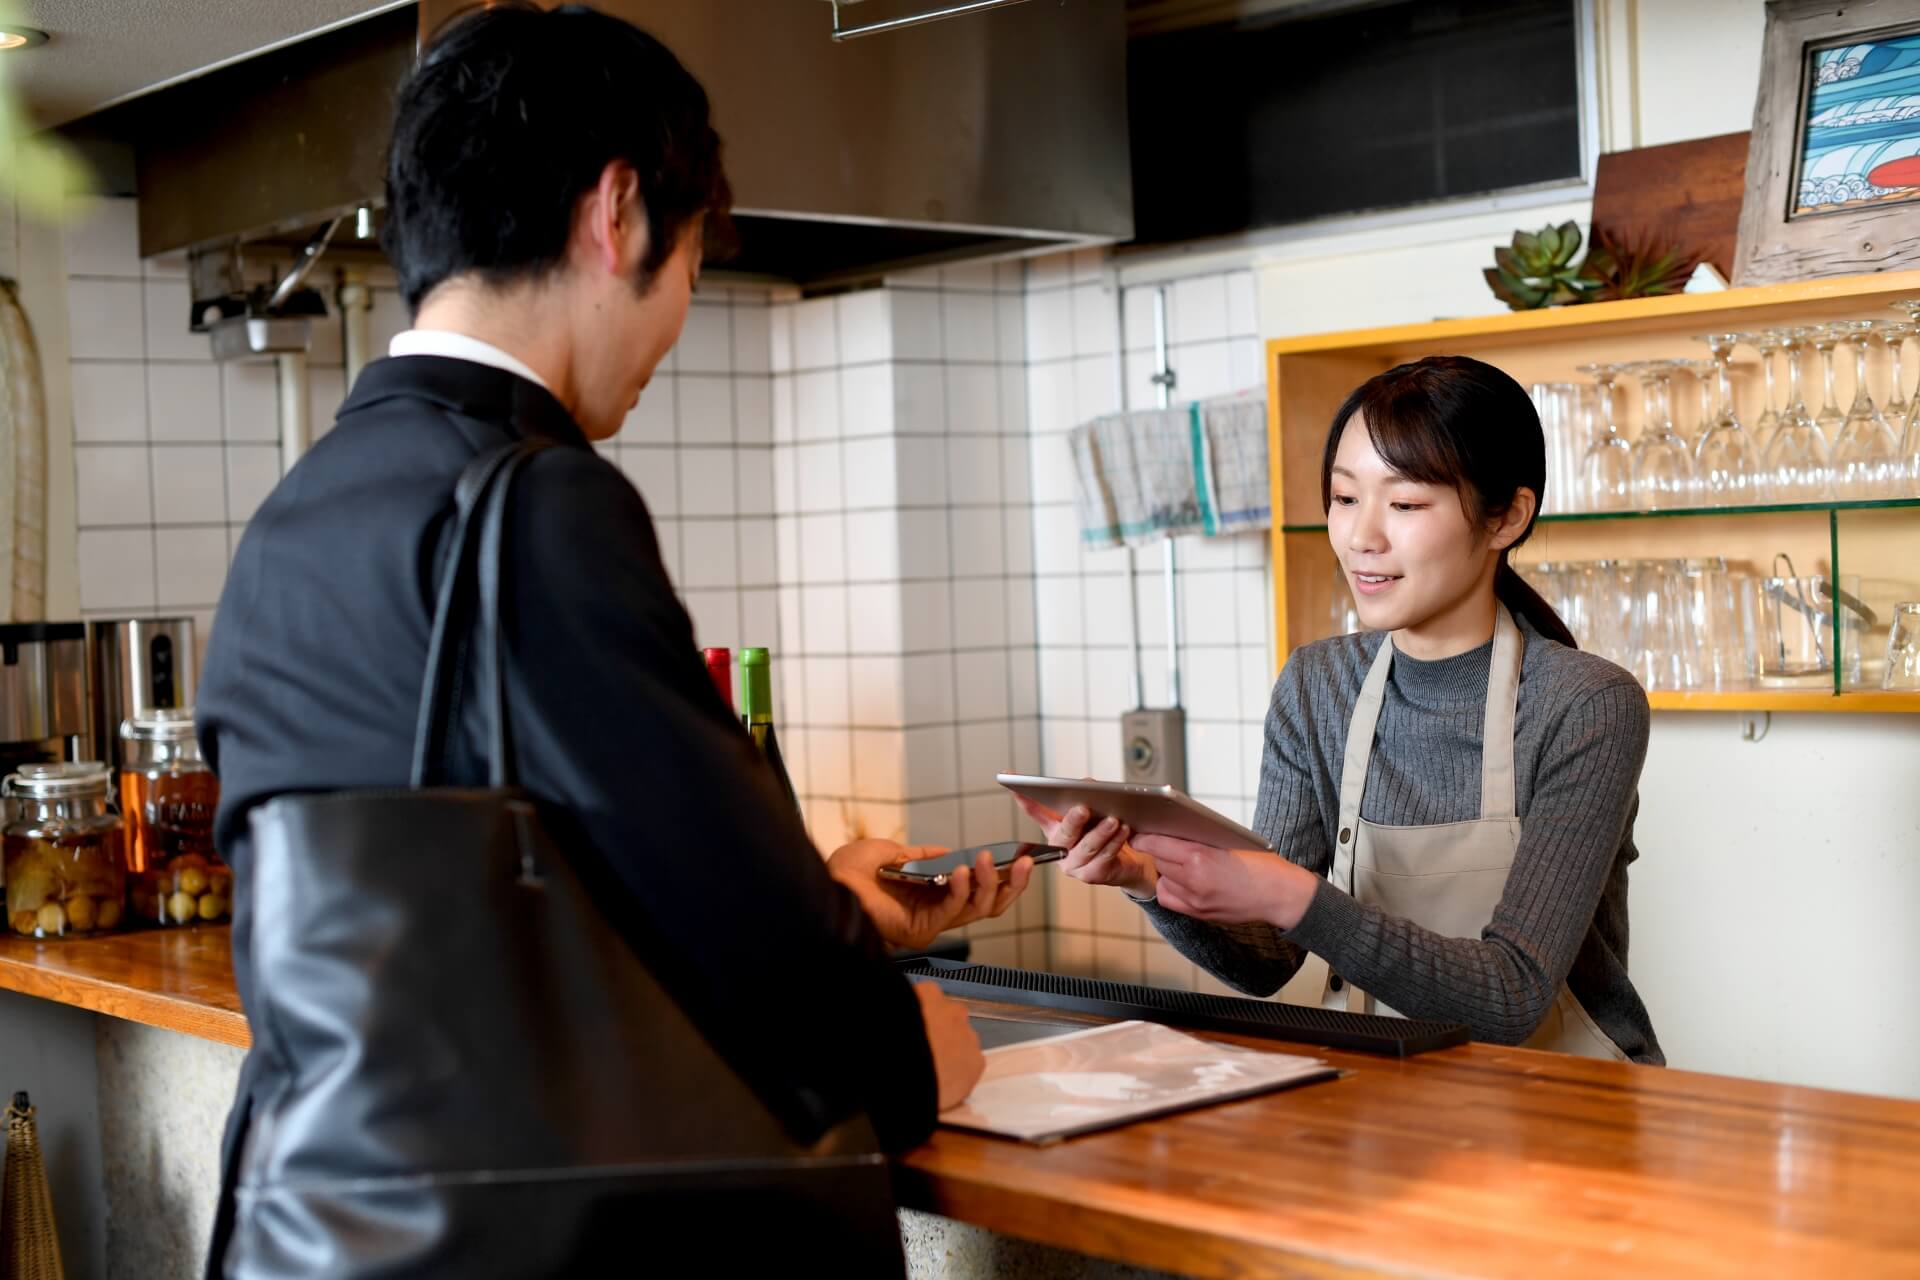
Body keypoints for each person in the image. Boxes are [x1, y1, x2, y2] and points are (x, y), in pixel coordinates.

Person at [197, 3, 1030, 1267]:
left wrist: (827, 897)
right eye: (693, 262)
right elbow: (763, 962)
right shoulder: (532, 499)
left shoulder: (296, 515)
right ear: (617, 212)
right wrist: (909, 1046)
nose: (675, 322)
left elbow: (466, 898)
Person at [1022, 355, 1662, 1062]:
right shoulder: (1317, 685)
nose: (1363, 537)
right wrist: (1150, 880)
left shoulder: (1586, 705)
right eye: (1344, 498)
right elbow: (1269, 962)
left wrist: (1295, 895)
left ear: (1506, 517)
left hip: (1569, 1109)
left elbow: (1512, 999)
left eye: (1406, 504)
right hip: (1389, 1095)